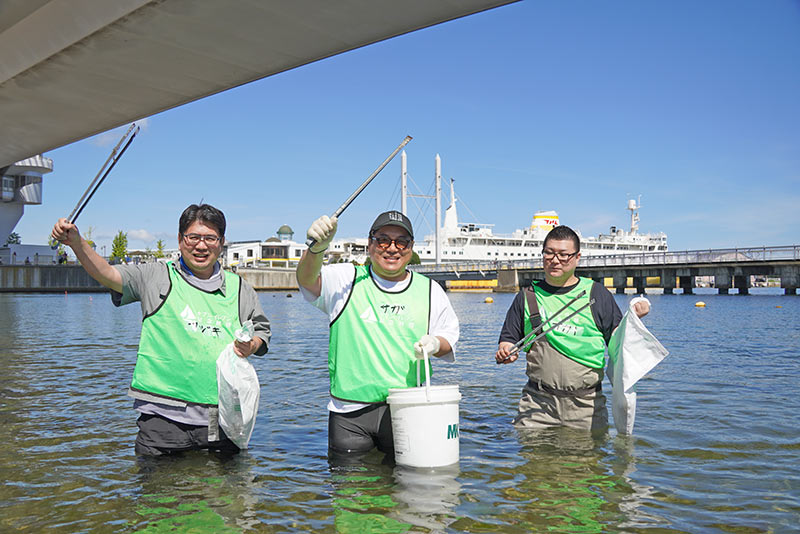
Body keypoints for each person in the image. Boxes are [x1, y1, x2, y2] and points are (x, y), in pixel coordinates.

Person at [51, 204, 271, 455]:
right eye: (193, 237)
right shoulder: (155, 276)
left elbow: (261, 331)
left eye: (210, 238)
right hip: (162, 419)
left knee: (222, 481)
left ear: (221, 243)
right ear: (180, 240)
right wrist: (77, 243)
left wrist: (252, 345)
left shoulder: (239, 287)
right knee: (160, 482)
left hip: (220, 418)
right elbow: (108, 273)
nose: (201, 246)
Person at [296, 210, 459, 458]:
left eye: (401, 242)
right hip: (349, 414)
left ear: (411, 247)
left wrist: (435, 344)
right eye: (383, 240)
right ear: (370, 244)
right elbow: (307, 279)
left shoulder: (430, 290)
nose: (392, 248)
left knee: (410, 480)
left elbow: (449, 338)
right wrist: (316, 248)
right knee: (349, 481)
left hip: (408, 409)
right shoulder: (345, 279)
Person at [495, 225, 649, 431]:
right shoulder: (526, 296)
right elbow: (508, 339)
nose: (555, 260)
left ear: (577, 258)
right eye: (549, 253)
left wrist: (634, 319)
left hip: (587, 407)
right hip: (536, 405)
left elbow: (618, 342)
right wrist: (506, 351)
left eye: (563, 255)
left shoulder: (597, 294)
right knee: (531, 452)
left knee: (589, 452)